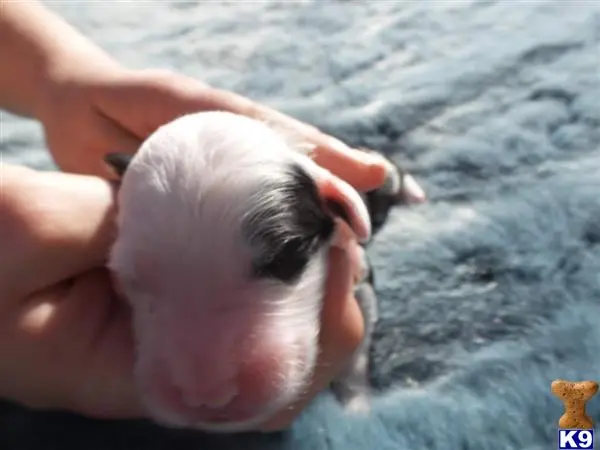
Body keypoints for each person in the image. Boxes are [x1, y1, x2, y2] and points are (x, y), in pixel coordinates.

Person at [0, 1, 421, 431]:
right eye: (139, 281)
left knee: (378, 176)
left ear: (341, 207)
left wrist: (57, 73)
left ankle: (399, 182)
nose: (205, 386)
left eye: (274, 264)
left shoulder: (336, 207)